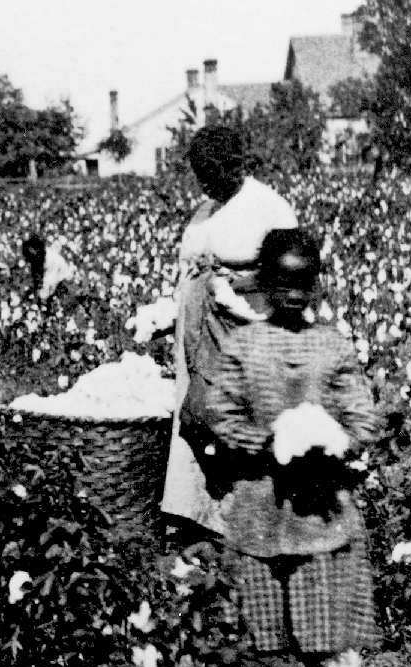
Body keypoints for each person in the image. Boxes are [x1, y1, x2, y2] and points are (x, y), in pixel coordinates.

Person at [205, 229, 378, 667]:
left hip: (272, 500)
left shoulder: (248, 345)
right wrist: (325, 446)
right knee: (316, 603)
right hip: (310, 501)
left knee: (275, 612)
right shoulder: (327, 345)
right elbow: (363, 418)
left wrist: (282, 445)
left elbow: (220, 413)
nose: (294, 294)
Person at [162, 125, 299, 542]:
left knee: (238, 419)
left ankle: (249, 519)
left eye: (211, 172)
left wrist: (235, 286)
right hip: (198, 331)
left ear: (235, 166)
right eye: (199, 173)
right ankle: (199, 515)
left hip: (241, 328)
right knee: (196, 416)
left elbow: (293, 275)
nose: (204, 182)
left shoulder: (269, 208)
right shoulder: (205, 209)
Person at [25, 233, 82, 301]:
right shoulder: (45, 256)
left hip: (64, 282)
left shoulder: (51, 260)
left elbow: (49, 283)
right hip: (60, 281)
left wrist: (42, 291)